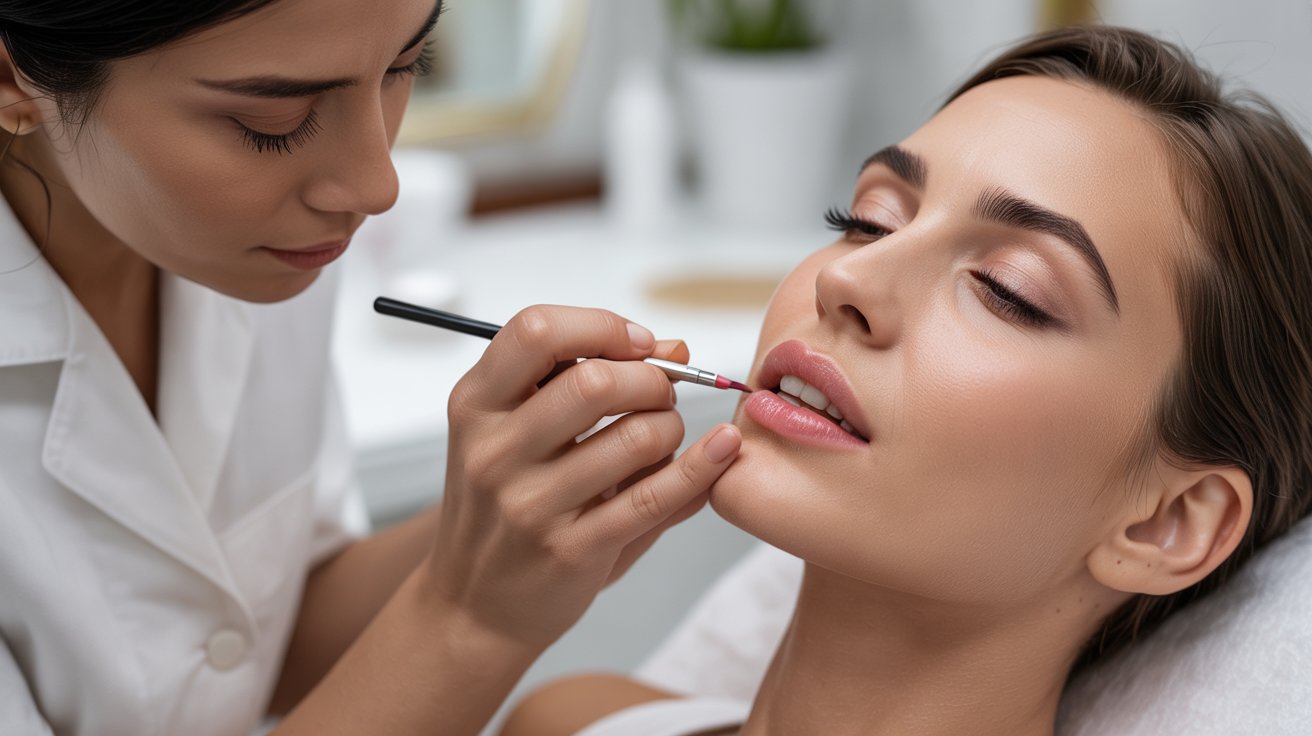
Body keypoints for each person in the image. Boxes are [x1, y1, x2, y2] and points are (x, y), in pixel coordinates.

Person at [500, 24, 1312, 736]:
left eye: (1009, 290)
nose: (846, 282)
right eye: (868, 221)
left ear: (1168, 523)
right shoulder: (571, 721)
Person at [0, 1, 743, 734]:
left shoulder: (252, 250)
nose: (375, 187)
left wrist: (516, 509)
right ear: (12, 78)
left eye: (403, 66)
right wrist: (473, 619)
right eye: (273, 124)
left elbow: (253, 636)